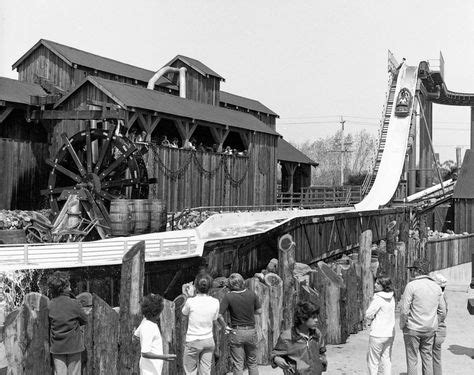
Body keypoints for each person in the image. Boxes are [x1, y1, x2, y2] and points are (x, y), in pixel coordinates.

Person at [400, 258, 446, 375]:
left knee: (412, 360)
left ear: (418, 271)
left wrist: (403, 326)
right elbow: (443, 311)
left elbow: (404, 310)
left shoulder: (411, 286)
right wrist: (434, 322)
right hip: (430, 329)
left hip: (413, 328)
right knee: (427, 359)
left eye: (413, 270)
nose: (412, 273)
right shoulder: (436, 287)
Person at [218, 273, 261, 375]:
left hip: (237, 332)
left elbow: (218, 315)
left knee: (238, 364)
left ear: (230, 285)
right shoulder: (252, 294)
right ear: (242, 282)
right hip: (251, 331)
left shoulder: (228, 297)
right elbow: (259, 311)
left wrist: (225, 326)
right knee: (253, 363)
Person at [270, 301, 327, 374]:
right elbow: (274, 354)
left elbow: (321, 351)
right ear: (302, 319)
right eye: (313, 318)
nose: (316, 320)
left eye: (316, 317)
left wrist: (322, 361)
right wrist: (276, 359)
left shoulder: (317, 333)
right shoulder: (287, 337)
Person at [47, 271, 87, 375]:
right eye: (68, 284)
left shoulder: (49, 305)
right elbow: (85, 320)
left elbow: (48, 323)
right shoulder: (74, 303)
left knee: (60, 373)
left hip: (57, 347)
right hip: (74, 346)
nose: (70, 287)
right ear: (65, 288)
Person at [181, 273, 219, 375]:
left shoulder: (190, 302)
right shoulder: (215, 302)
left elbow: (184, 313)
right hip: (208, 340)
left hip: (193, 340)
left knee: (190, 371)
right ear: (210, 287)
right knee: (206, 372)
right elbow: (214, 320)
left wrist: (187, 295)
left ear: (196, 286)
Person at [134, 294, 176, 375]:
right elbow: (145, 353)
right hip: (149, 370)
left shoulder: (145, 321)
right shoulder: (149, 327)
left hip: (152, 368)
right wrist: (164, 357)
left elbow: (135, 337)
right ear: (156, 312)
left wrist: (143, 339)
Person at [365, 276, 395, 375]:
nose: (375, 284)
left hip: (378, 333)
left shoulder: (378, 298)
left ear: (384, 286)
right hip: (389, 333)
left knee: (373, 361)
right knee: (386, 360)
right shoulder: (392, 297)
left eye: (378, 283)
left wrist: (372, 318)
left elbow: (369, 313)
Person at [432, 273, 448, 375]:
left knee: (427, 357)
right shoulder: (444, 295)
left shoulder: (436, 296)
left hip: (434, 330)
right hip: (442, 331)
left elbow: (442, 313)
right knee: (437, 358)